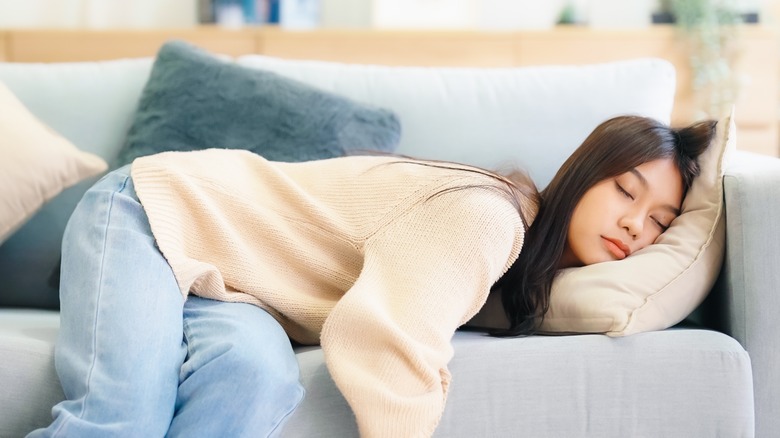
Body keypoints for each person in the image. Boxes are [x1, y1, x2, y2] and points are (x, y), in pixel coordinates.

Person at [28, 114, 715, 438]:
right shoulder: (491, 217)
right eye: (625, 191)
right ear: (583, 175)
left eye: (661, 221)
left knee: (254, 382)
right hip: (154, 212)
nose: (637, 226)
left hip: (234, 289)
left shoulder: (525, 273)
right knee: (121, 422)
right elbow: (382, 338)